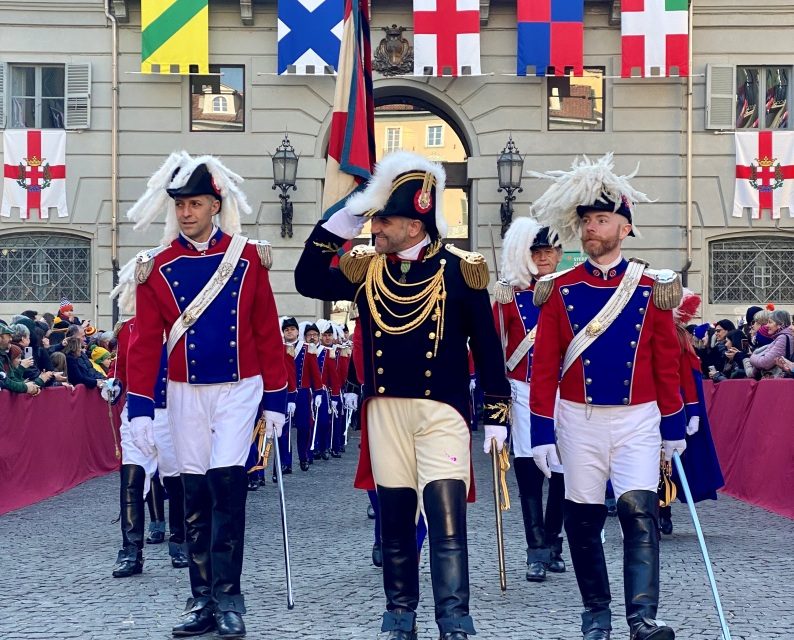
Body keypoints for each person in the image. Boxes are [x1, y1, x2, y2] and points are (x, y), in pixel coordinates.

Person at [295, 151, 511, 640]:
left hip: (443, 412)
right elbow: (306, 279)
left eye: (383, 219)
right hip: (385, 411)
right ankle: (399, 614)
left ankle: (454, 618)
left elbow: (488, 347)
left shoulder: (461, 270)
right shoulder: (367, 268)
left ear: (415, 224)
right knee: (394, 520)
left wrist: (497, 414)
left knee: (446, 516)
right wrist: (344, 217)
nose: (375, 227)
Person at [124, 152, 287, 638]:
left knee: (226, 484)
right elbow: (145, 340)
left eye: (195, 204)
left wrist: (277, 399)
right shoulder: (156, 267)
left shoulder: (247, 258)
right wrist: (139, 407)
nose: (186, 213)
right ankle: (201, 598)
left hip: (240, 386)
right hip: (183, 389)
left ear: (215, 205)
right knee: (193, 490)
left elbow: (265, 331)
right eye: (180, 206)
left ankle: (229, 596)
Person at [528, 153, 687, 640]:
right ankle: (596, 612)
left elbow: (666, 362)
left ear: (625, 228)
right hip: (578, 418)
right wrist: (539, 428)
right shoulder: (558, 289)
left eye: (601, 219)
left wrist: (674, 424)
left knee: (639, 512)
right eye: (586, 221)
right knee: (582, 516)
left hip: (638, 418)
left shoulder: (649, 287)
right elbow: (546, 365)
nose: (591, 229)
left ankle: (642, 618)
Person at [492, 217, 566, 583]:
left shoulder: (569, 293)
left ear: (559, 254)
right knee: (531, 471)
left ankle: (554, 541)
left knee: (565, 473)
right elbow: (492, 347)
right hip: (522, 389)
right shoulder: (511, 296)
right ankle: (535, 549)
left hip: (566, 392)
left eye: (549, 251)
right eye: (536, 251)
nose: (543, 257)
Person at [108, 261, 189, 578]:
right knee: (131, 479)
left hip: (172, 412)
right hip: (137, 412)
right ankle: (130, 551)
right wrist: (114, 387)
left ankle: (180, 542)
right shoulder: (128, 330)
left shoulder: (180, 327)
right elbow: (123, 373)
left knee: (176, 480)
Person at [659, 290, 725, 535]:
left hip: (671, 404)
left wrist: (693, 410)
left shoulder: (678, 336)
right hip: (643, 403)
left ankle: (662, 509)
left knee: (666, 461)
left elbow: (688, 376)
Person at [748, 309, 794, 377]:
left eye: (770, 322)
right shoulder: (781, 337)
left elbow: (765, 363)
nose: (767, 325)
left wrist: (751, 358)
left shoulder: (783, 338)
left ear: (780, 324)